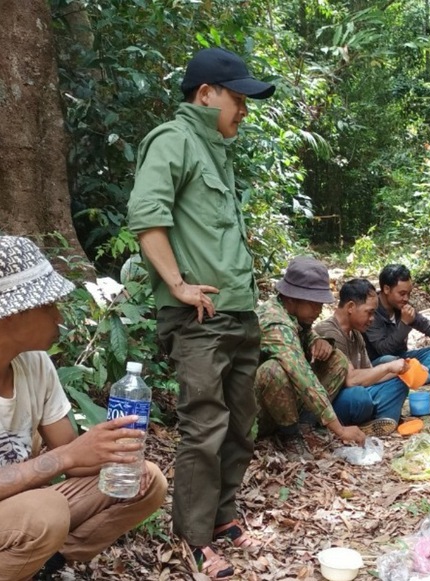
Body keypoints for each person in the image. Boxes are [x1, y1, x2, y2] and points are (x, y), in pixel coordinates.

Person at [0, 236, 167, 581]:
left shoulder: (35, 364)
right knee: (44, 511)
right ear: (12, 314)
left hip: (19, 518)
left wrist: (109, 455)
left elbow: (74, 459)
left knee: (146, 480)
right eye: (49, 305)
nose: (59, 316)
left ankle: (39, 566)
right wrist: (66, 457)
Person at [126, 47, 275, 577]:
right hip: (199, 319)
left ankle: (221, 517)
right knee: (204, 426)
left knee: (240, 424)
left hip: (237, 313)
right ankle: (192, 536)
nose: (244, 110)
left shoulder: (218, 151)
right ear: (205, 94)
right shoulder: (173, 140)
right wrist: (179, 286)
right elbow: (147, 218)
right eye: (238, 99)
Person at [254, 257, 367, 461]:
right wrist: (340, 430)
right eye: (314, 304)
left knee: (337, 359)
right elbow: (302, 376)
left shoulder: (293, 314)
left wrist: (317, 340)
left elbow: (304, 334)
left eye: (320, 305)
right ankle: (289, 435)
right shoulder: (275, 323)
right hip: (256, 411)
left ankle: (305, 426)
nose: (318, 311)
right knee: (274, 370)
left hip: (286, 403)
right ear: (291, 298)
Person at [315, 279, 413, 436]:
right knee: (359, 397)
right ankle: (364, 420)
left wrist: (406, 371)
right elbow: (351, 380)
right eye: (370, 312)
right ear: (351, 307)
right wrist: (388, 368)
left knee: (399, 382)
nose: (373, 318)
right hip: (330, 403)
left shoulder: (356, 334)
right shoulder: (328, 333)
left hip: (356, 392)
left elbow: (368, 373)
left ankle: (376, 423)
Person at [363, 264, 430, 382]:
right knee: (389, 359)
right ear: (386, 289)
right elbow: (383, 350)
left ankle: (416, 377)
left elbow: (426, 325)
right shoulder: (371, 311)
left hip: (403, 359)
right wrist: (404, 323)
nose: (406, 298)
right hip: (380, 364)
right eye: (402, 294)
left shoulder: (401, 305)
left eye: (408, 294)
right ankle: (413, 377)